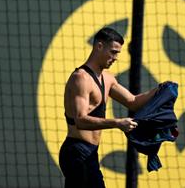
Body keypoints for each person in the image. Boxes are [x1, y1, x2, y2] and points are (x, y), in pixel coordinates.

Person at [59, 27, 163, 188]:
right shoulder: (81, 78)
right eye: (113, 52)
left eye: (118, 53)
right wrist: (117, 123)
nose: (115, 58)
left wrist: (161, 90)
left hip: (90, 153)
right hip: (76, 151)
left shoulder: (108, 79)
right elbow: (80, 121)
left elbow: (133, 101)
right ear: (99, 46)